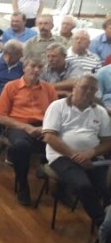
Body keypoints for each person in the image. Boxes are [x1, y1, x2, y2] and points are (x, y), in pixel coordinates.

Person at [0, 56, 57, 204]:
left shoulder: (49, 89)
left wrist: (45, 128)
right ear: (24, 68)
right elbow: (2, 117)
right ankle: (23, 185)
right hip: (18, 125)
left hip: (43, 126)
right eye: (33, 66)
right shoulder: (11, 86)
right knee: (21, 146)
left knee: (67, 141)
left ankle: (61, 187)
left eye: (40, 67)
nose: (36, 70)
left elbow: (56, 115)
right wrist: (26, 127)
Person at [43, 74, 111, 230]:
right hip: (61, 156)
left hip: (92, 157)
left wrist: (90, 153)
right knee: (83, 186)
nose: (88, 92)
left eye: (92, 89)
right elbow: (49, 136)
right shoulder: (57, 106)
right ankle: (103, 225)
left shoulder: (100, 111)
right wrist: (75, 156)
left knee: (107, 187)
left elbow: (108, 142)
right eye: (84, 87)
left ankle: (107, 224)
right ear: (74, 88)